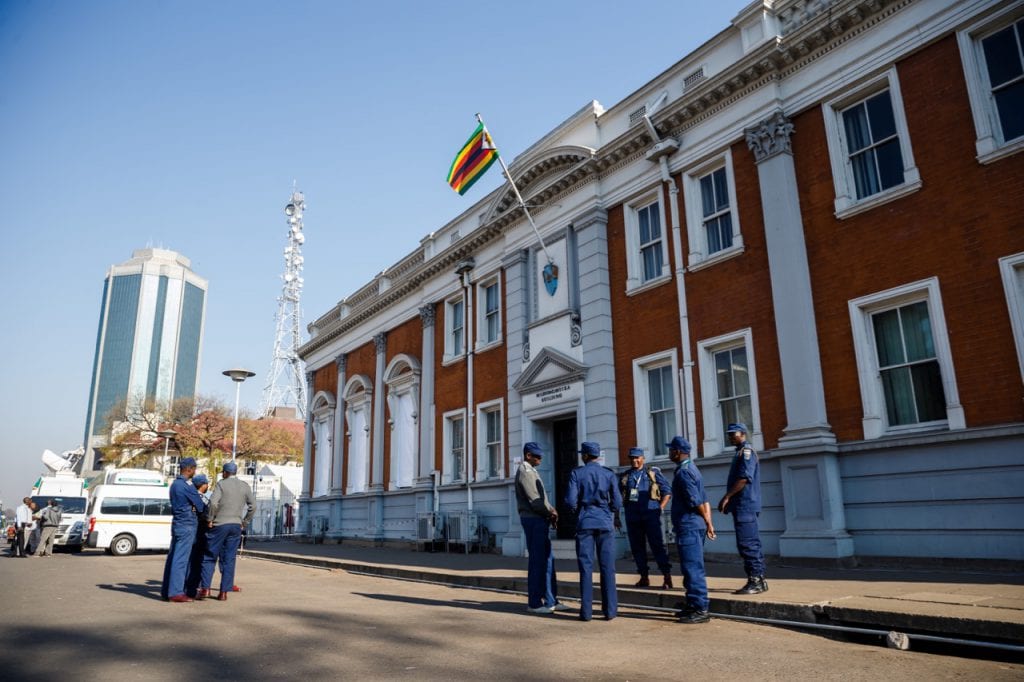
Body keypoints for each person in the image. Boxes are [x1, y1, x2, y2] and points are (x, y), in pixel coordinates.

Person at [565, 441, 621, 621]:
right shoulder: (608, 474)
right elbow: (618, 502)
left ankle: (586, 612)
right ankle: (610, 611)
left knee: (586, 568)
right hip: (605, 523)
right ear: (597, 455)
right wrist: (608, 511)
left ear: (586, 456)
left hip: (585, 523)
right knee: (607, 568)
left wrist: (578, 512)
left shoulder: (577, 473)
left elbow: (570, 501)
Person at [514, 442, 568, 614]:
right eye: (537, 456)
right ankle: (535, 602)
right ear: (528, 455)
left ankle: (551, 600)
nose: (540, 458)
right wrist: (550, 513)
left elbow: (541, 499)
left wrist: (551, 509)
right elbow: (535, 502)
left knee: (548, 560)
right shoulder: (525, 471)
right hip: (533, 520)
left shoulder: (532, 470)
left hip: (539, 519)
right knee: (538, 561)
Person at [668, 436, 716, 624]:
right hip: (692, 525)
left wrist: (706, 520)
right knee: (690, 567)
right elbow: (704, 499)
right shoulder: (692, 469)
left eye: (671, 450)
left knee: (692, 568)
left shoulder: (684, 473)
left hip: (689, 526)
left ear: (678, 452)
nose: (669, 452)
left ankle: (700, 608)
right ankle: (692, 604)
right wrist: (709, 523)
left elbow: (695, 501)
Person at [717, 423, 767, 595]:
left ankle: (755, 580)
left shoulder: (746, 452)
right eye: (729, 434)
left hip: (745, 505)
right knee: (747, 542)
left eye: (734, 434)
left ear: (743, 434)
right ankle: (758, 579)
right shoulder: (739, 451)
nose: (730, 437)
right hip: (742, 505)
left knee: (748, 543)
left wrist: (727, 496)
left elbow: (744, 478)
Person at [200, 461, 255, 601]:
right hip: (236, 526)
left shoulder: (221, 484)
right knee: (229, 559)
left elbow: (213, 503)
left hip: (219, 525)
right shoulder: (244, 486)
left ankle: (205, 589)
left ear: (225, 472)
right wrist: (245, 522)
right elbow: (253, 506)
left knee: (210, 556)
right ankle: (223, 592)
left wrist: (210, 518)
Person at [619, 447, 673, 588]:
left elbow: (667, 492)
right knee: (637, 548)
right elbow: (619, 496)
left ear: (643, 458)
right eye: (632, 458)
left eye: (637, 458)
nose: (634, 461)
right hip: (633, 517)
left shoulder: (652, 473)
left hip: (650, 516)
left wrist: (660, 507)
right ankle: (644, 577)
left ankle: (667, 576)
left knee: (657, 546)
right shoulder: (626, 476)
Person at [160, 457, 207, 603]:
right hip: (187, 524)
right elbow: (200, 506)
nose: (194, 472)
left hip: (177, 523)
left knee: (173, 558)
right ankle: (176, 592)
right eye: (194, 469)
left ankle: (166, 590)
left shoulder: (174, 484)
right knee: (181, 560)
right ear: (189, 469)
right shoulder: (187, 485)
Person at [185, 473, 210, 599]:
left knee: (188, 560)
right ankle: (193, 588)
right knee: (197, 562)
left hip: (189, 532)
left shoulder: (188, 497)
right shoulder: (204, 499)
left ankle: (186, 586)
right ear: (203, 485)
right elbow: (205, 515)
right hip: (200, 533)